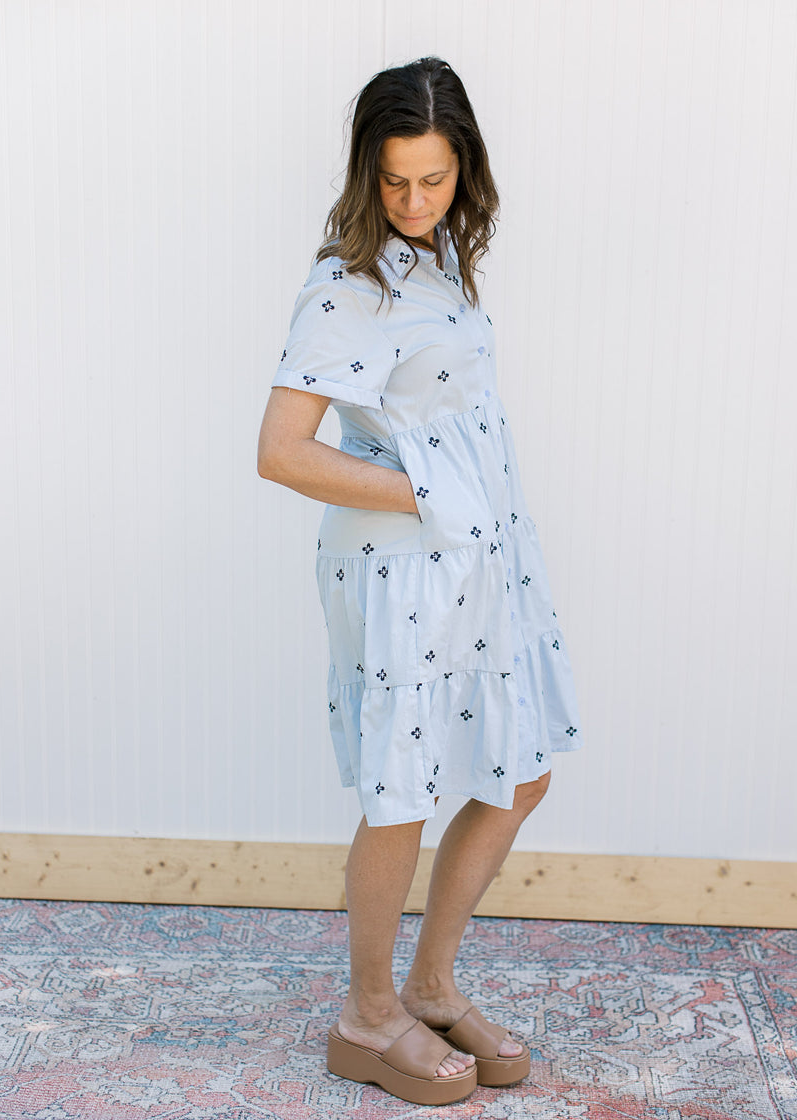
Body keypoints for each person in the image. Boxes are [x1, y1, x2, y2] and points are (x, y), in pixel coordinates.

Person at [257, 56, 583, 1107]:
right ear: (366, 172)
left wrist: (472, 511)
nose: (411, 202)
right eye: (394, 181)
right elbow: (280, 450)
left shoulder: (442, 258)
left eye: (432, 180)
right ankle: (365, 1013)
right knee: (400, 793)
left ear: (462, 170)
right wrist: (428, 492)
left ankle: (432, 984)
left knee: (516, 769)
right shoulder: (346, 283)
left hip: (486, 564)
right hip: (401, 571)